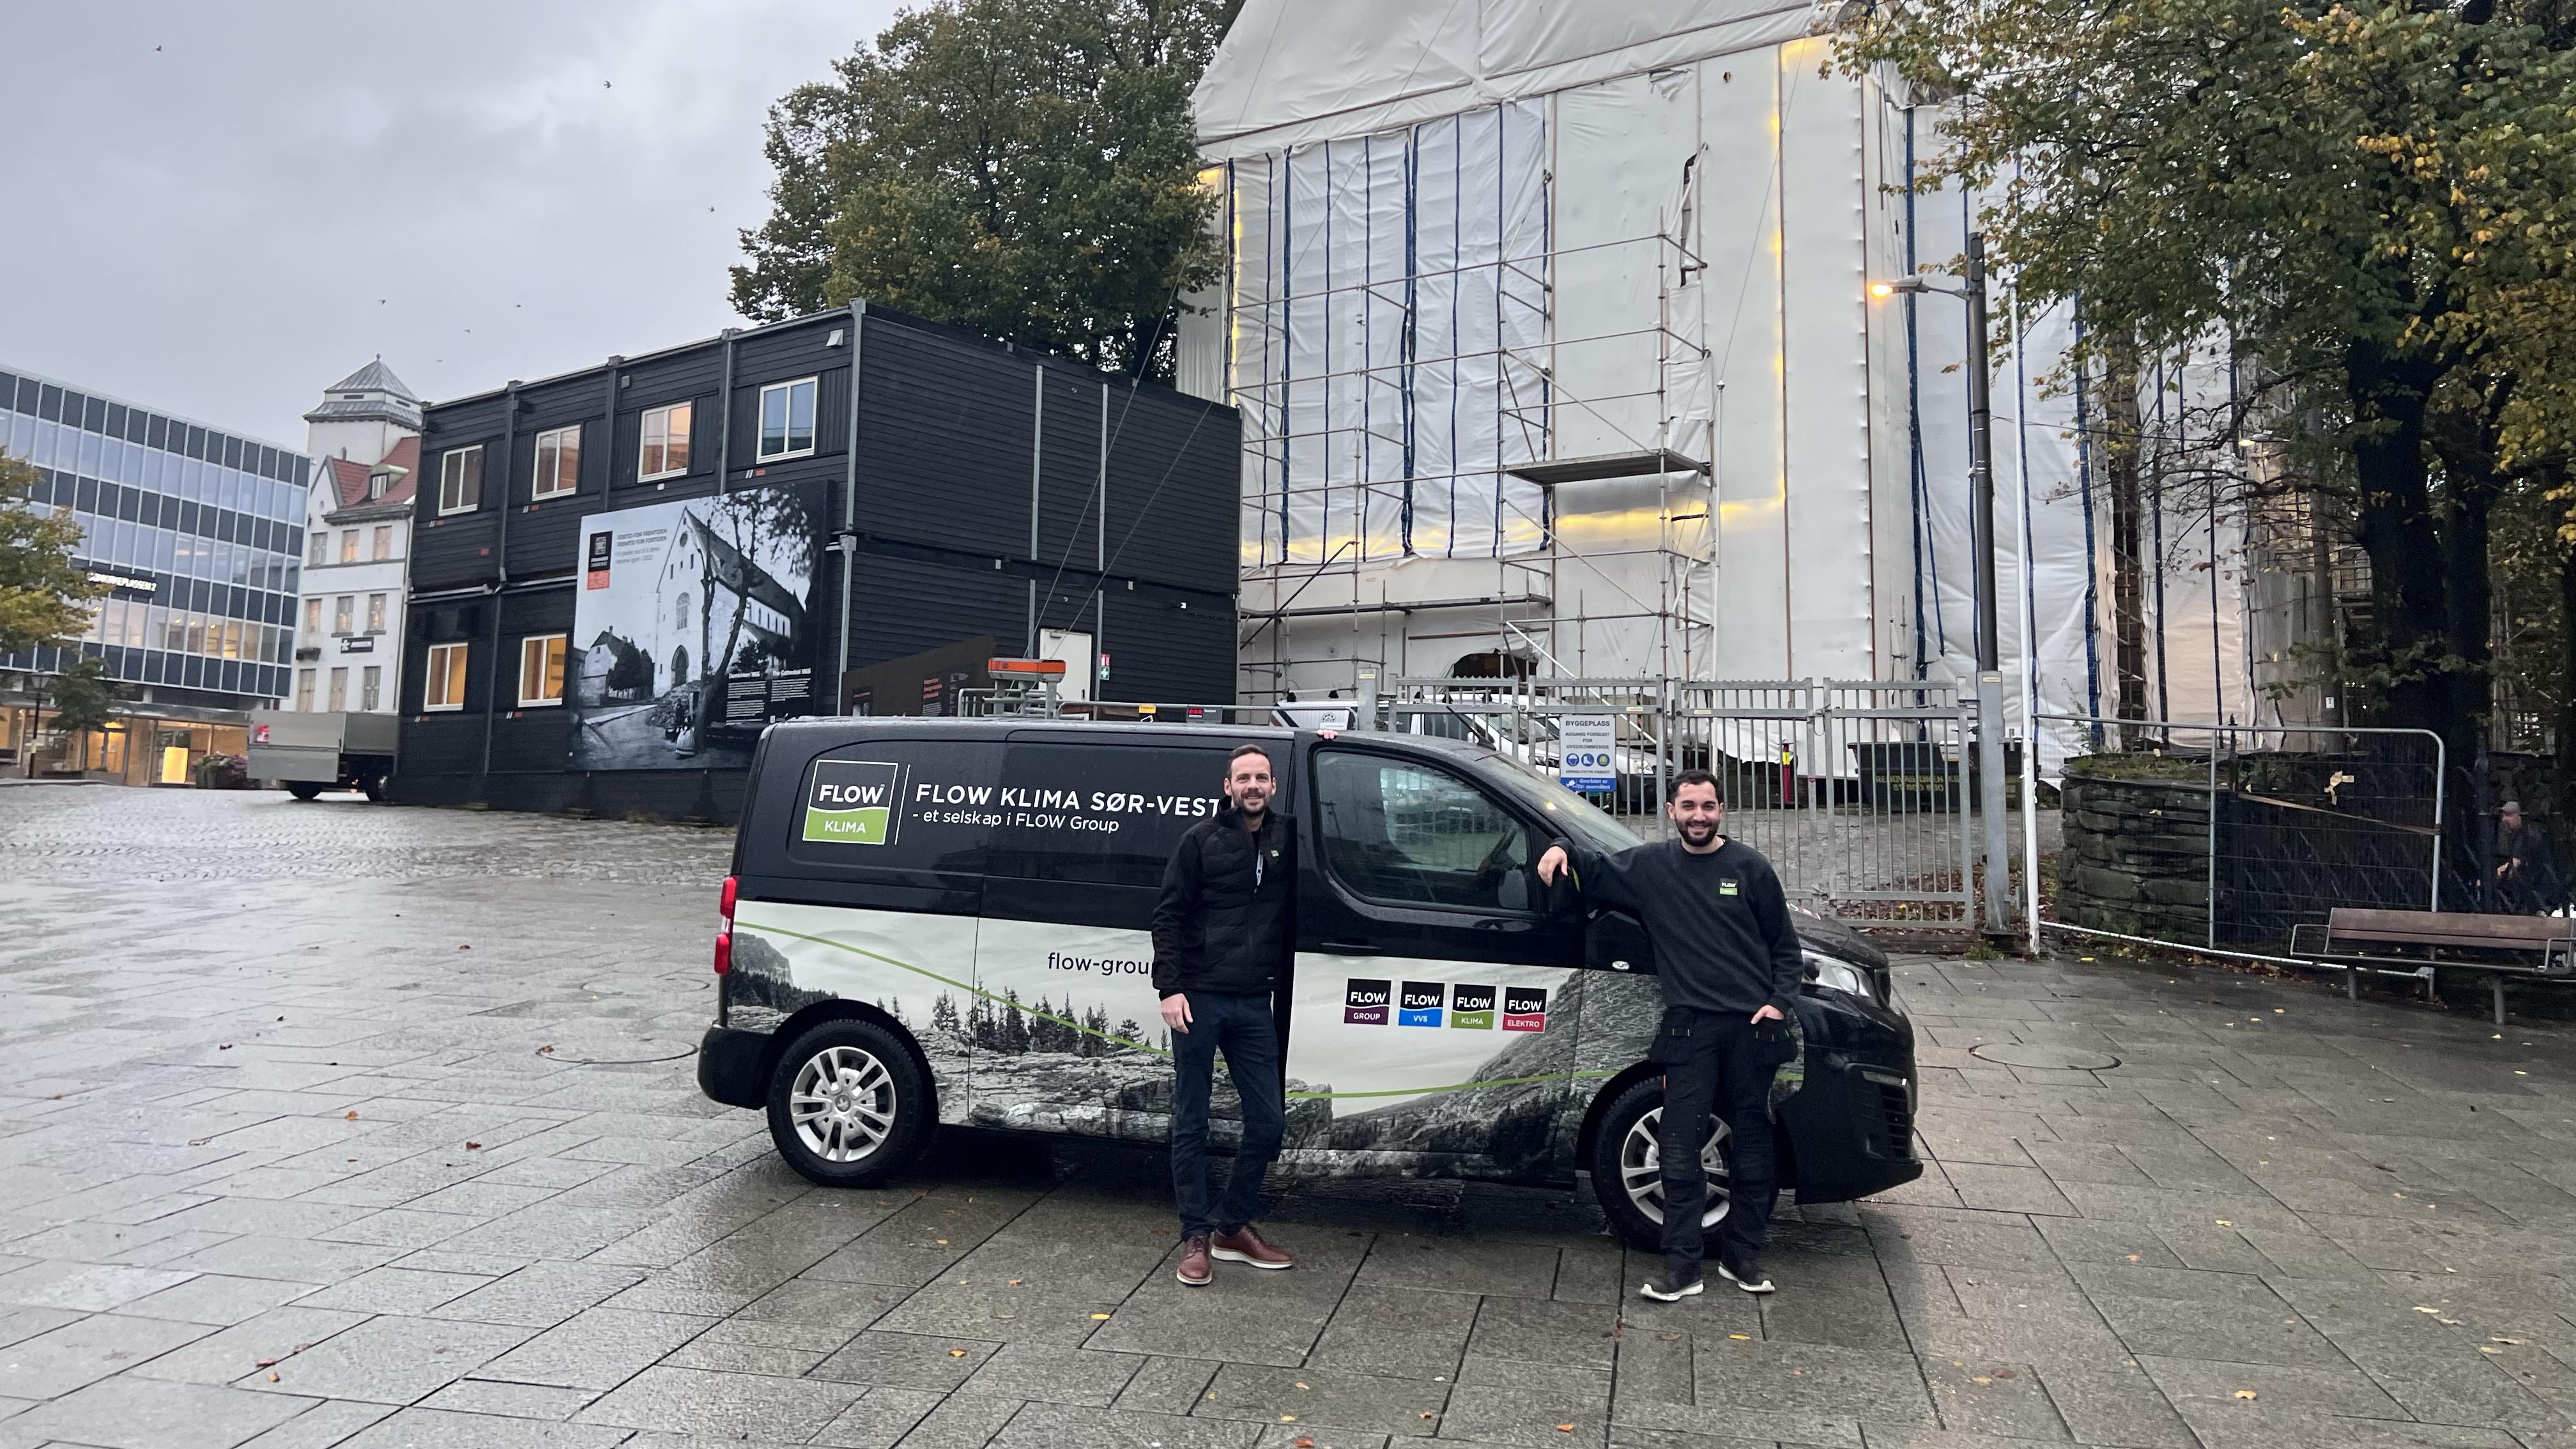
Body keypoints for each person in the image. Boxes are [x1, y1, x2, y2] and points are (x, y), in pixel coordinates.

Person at [1537, 769, 1802, 1302]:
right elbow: (1589, 866)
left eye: (1707, 806)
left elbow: (1785, 948)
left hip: (1752, 1028)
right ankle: (1683, 1267)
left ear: (1721, 810)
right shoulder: (1649, 866)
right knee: (1679, 1146)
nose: (1698, 816)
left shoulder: (1750, 868)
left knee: (1751, 1145)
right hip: (1689, 1028)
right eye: (1688, 806)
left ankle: (1742, 1259)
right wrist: (1558, 846)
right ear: (1671, 811)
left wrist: (1777, 1004)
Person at [1151, 742, 1298, 1286]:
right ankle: (1195, 1234)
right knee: (1192, 1120)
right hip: (1200, 999)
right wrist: (1170, 988)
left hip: (1255, 1002)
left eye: (1262, 776)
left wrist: (1330, 736)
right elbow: (1167, 917)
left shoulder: (1289, 838)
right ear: (1228, 787)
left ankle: (1232, 1227)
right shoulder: (1200, 842)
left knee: (1268, 1122)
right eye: (1244, 778)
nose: (1254, 786)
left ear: (1274, 787)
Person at [2493, 802, 2561, 916]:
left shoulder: (2526, 837)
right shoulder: (2522, 835)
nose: (2504, 820)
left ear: (2519, 816)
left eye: (2509, 815)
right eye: (2503, 816)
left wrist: (2490, 879)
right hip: (2533, 893)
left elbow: (2513, 866)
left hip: (2539, 895)